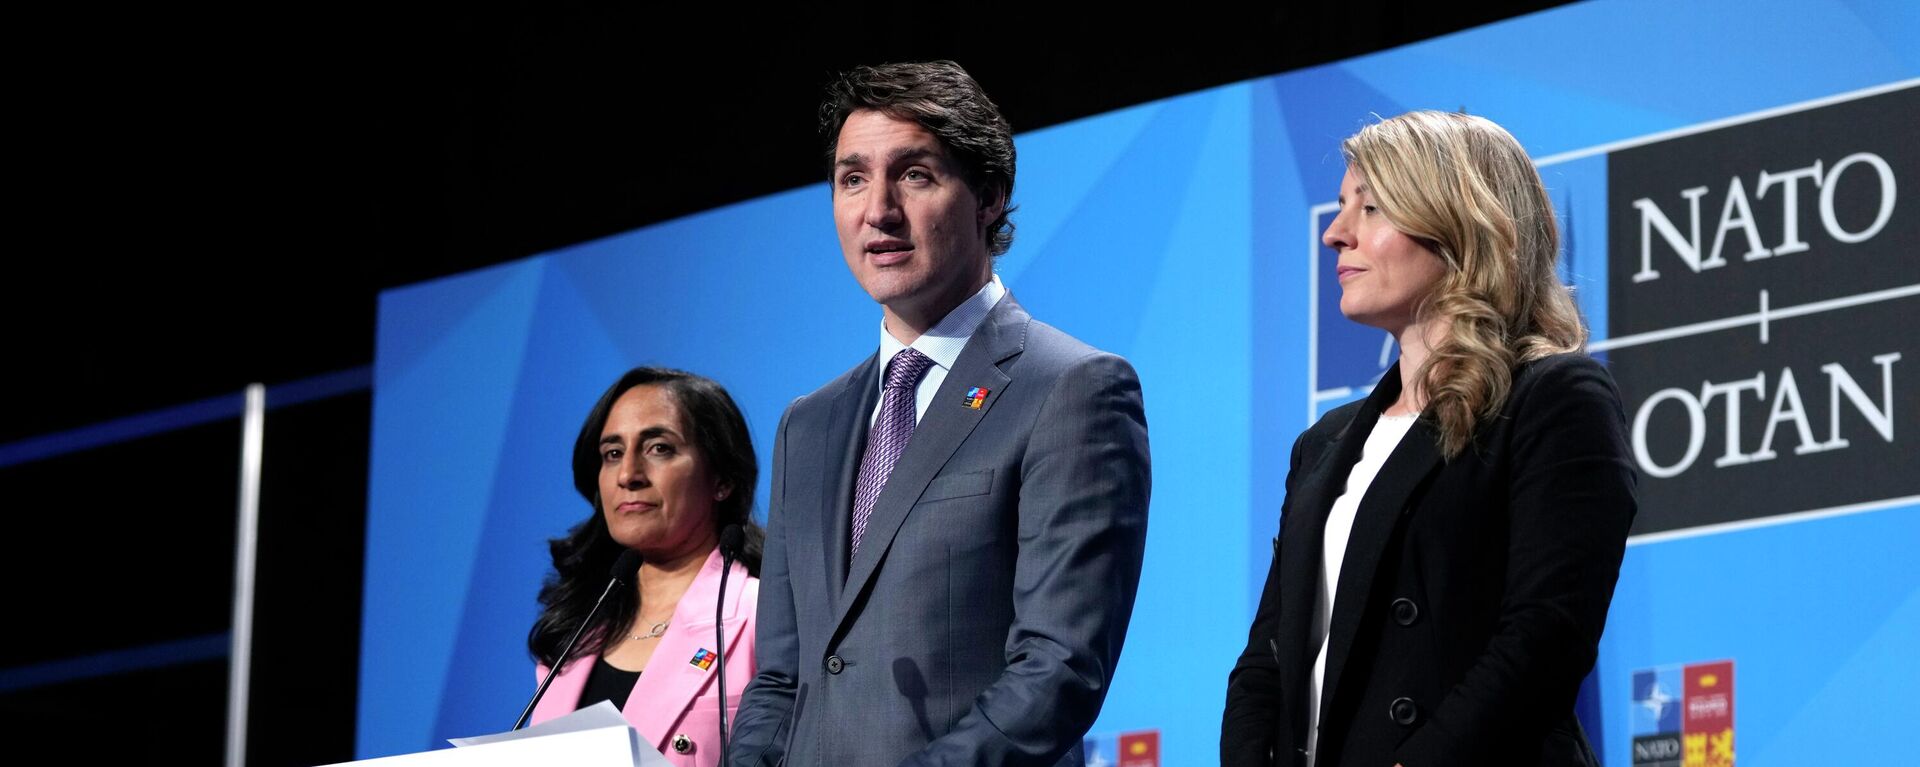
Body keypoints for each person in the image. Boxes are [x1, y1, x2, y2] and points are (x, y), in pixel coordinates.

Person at [729, 60, 1152, 767]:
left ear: (989, 195)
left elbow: (1057, 669)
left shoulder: (1072, 387)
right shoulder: (808, 424)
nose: (878, 210)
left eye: (915, 174)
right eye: (852, 178)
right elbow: (779, 679)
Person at [1221, 111, 1638, 767]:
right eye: (1340, 208)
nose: (1335, 234)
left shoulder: (1555, 401)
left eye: (1372, 207)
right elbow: (1269, 654)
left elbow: (1542, 640)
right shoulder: (1324, 444)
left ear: (1460, 227)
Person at [527, 367, 765, 767]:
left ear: (722, 478)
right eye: (612, 454)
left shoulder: (763, 613)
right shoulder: (575, 628)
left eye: (659, 448)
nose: (628, 475)